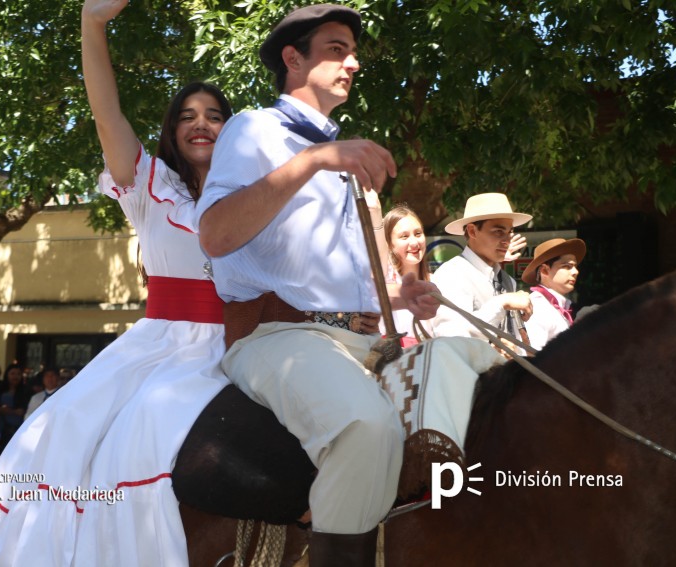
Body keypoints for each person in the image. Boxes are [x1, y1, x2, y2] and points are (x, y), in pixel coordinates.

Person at [0, 0, 232, 564]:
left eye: (214, 114)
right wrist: (92, 23)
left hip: (235, 344)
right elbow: (106, 115)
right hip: (161, 347)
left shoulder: (252, 197)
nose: (201, 122)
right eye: (187, 115)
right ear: (172, 131)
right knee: (60, 430)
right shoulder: (151, 187)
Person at [196, 5, 451, 564]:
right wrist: (314, 159)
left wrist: (399, 296)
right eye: (337, 50)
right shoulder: (253, 128)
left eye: (353, 52)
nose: (353, 63)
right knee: (366, 426)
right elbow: (214, 235)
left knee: (475, 385)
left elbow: (340, 276)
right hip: (275, 338)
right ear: (293, 59)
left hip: (362, 343)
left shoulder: (346, 158)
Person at [430, 192, 534, 348]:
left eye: (509, 232)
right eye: (498, 232)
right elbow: (452, 340)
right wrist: (501, 302)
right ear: (472, 231)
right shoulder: (451, 275)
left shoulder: (507, 280)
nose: (507, 240)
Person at [381, 204, 434, 347]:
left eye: (418, 234)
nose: (414, 242)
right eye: (404, 236)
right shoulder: (382, 285)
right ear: (389, 244)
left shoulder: (437, 281)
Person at [522, 237, 586, 351]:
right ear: (545, 270)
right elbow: (534, 356)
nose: (575, 272)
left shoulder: (562, 306)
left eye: (575, 266)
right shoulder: (537, 307)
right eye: (566, 266)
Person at [0, 364, 30, 452]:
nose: (15, 376)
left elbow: (22, 411)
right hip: (1, 429)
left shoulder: (26, 391)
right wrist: (11, 411)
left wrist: (8, 411)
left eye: (18, 374)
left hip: (19, 429)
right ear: (7, 375)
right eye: (12, 373)